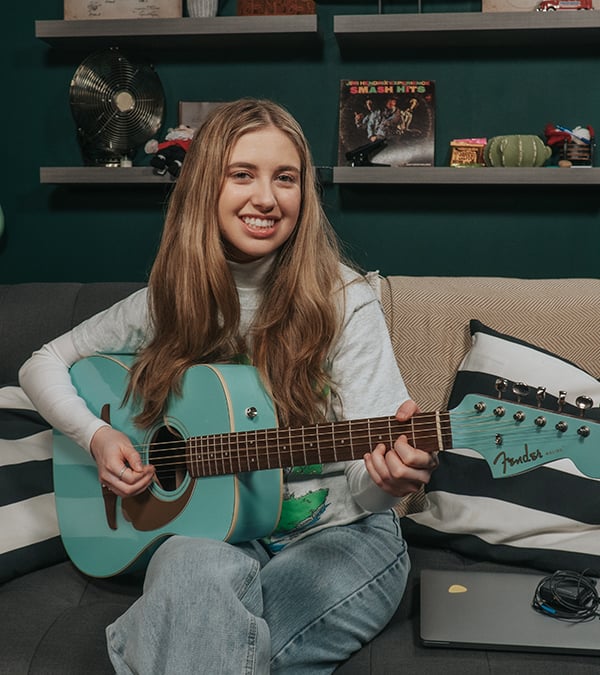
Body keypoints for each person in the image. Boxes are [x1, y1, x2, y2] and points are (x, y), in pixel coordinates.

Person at [19, 98, 439, 674]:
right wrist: (94, 435)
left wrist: (390, 482)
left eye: (285, 178)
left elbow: (366, 487)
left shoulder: (345, 301)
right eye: (242, 174)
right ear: (203, 188)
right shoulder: (166, 302)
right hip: (215, 532)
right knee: (193, 576)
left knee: (197, 639)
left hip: (343, 536)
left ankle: (145, 645)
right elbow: (42, 362)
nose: (266, 198)